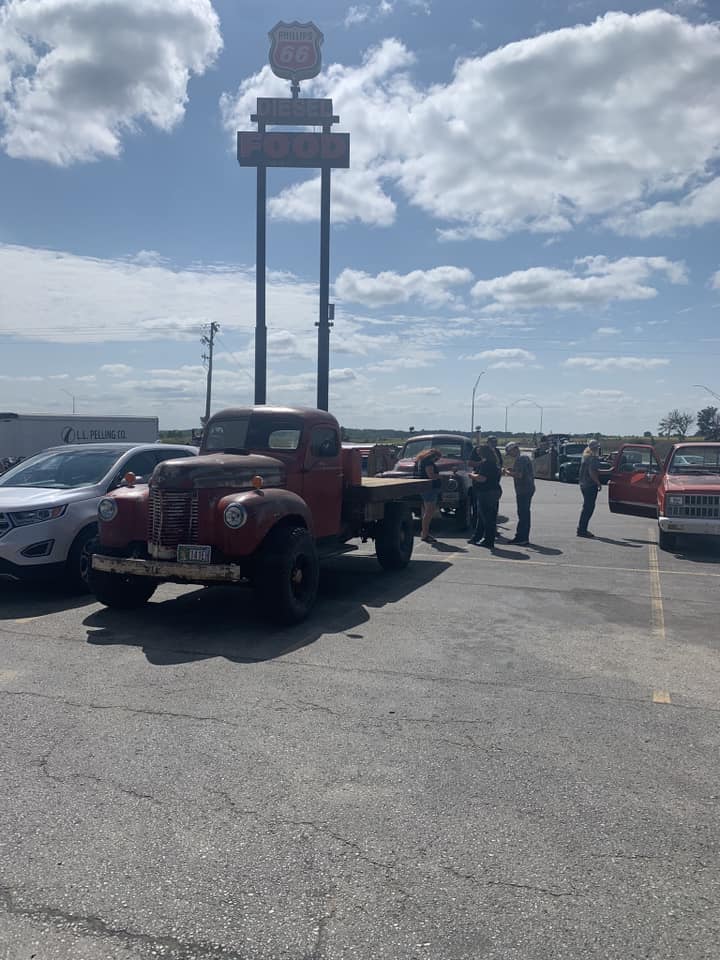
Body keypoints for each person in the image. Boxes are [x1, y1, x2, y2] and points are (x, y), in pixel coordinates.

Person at [468, 445, 502, 548]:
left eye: (479, 452)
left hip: (486, 492)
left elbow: (482, 478)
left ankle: (488, 540)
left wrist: (472, 475)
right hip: (494, 491)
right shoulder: (493, 463)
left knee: (487, 517)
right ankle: (477, 537)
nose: (478, 454)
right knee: (482, 516)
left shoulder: (486, 464)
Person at [504, 441, 535, 545]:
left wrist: (508, 472)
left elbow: (519, 475)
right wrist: (512, 470)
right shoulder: (525, 458)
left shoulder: (520, 459)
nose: (510, 455)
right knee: (525, 513)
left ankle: (521, 537)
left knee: (523, 514)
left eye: (510, 453)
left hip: (523, 489)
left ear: (514, 450)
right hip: (528, 488)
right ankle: (523, 536)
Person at [415, 448, 442, 543]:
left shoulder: (422, 461)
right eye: (437, 458)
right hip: (430, 489)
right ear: (434, 456)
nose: (437, 460)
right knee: (429, 512)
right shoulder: (428, 463)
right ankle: (425, 533)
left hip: (427, 489)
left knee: (428, 512)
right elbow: (431, 475)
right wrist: (441, 476)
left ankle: (425, 533)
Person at [577, 439, 602, 538]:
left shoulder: (585, 456)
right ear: (595, 448)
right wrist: (598, 482)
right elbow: (592, 471)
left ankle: (581, 529)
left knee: (586, 507)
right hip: (590, 485)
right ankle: (582, 530)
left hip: (583, 484)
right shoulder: (593, 458)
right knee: (589, 508)